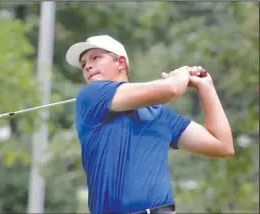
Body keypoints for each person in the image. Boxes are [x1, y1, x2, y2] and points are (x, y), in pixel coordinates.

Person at [65, 35, 234, 214]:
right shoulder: (91, 95)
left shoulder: (160, 113)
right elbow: (172, 90)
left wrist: (205, 86)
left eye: (95, 58)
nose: (88, 66)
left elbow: (223, 145)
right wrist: (182, 74)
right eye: (83, 64)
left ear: (121, 62)